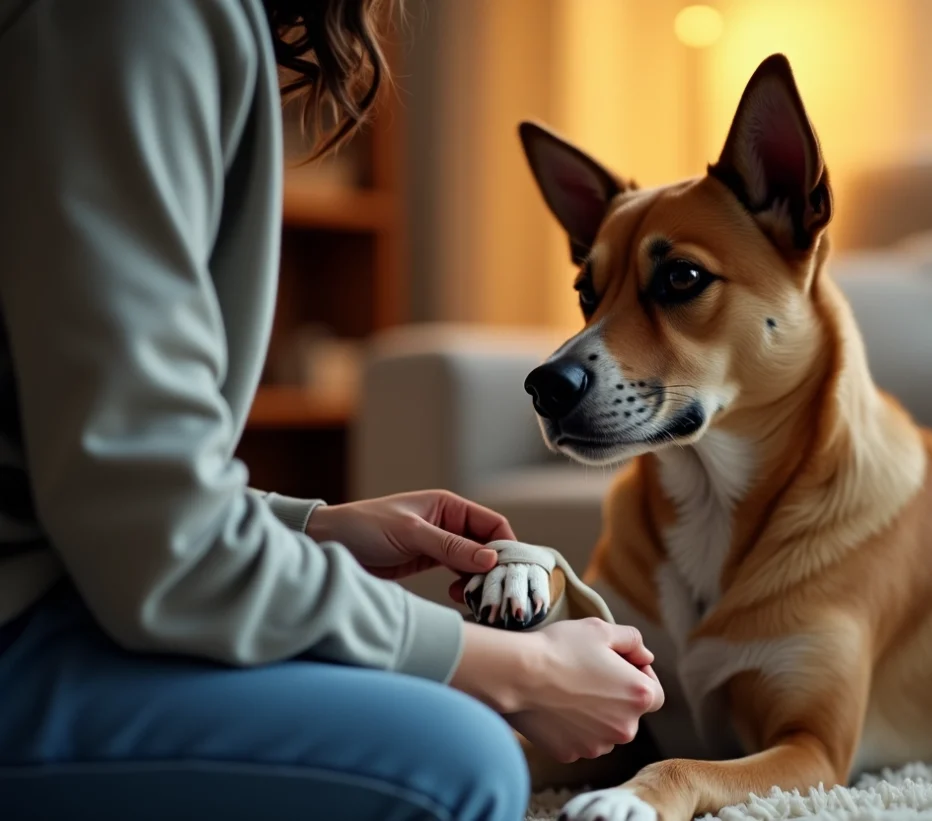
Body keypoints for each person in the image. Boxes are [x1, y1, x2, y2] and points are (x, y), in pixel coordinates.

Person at [0, 1, 665, 819]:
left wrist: (314, 527)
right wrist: (510, 667)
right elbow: (151, 537)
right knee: (454, 762)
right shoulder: (137, 19)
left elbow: (92, 489)